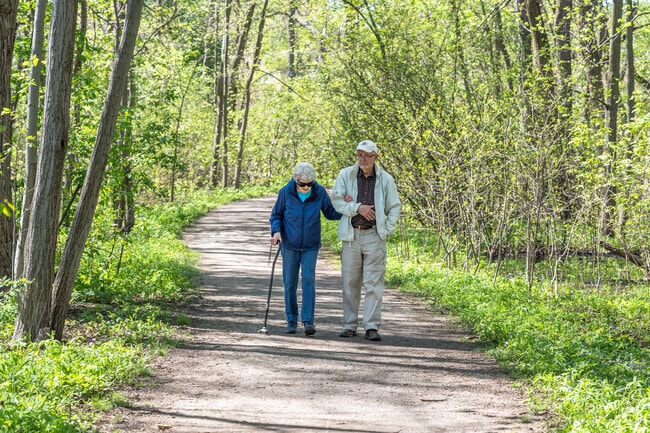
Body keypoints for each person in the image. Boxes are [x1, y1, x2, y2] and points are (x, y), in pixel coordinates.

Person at [331, 140, 401, 342]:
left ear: (375, 157)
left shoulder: (385, 179)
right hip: (352, 235)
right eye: (359, 155)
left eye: (367, 155)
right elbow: (337, 200)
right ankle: (349, 325)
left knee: (373, 283)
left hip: (374, 236)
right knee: (350, 282)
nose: (363, 159)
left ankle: (371, 326)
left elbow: (394, 207)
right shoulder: (346, 175)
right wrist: (357, 207)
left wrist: (386, 230)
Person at [270, 162, 342, 336]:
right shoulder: (286, 192)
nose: (306, 187)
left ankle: (308, 321)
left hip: (311, 245)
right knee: (290, 283)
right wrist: (276, 231)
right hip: (289, 244)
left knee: (308, 279)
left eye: (309, 184)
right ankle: (291, 320)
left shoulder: (319, 192)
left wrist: (347, 208)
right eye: (302, 184)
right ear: (296, 180)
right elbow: (275, 215)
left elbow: (330, 213)